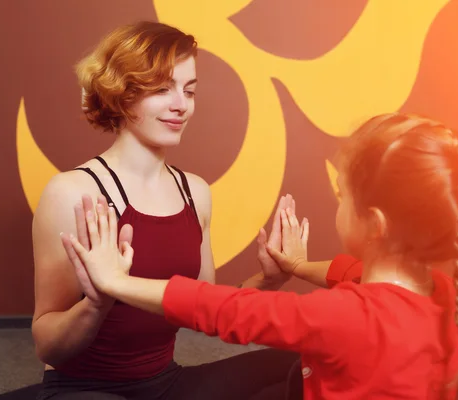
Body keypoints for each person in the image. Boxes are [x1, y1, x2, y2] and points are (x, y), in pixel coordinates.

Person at [63, 112, 458, 400]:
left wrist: (116, 281)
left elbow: (226, 309)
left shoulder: (344, 318)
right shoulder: (441, 294)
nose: (338, 205)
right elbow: (353, 274)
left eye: (343, 197)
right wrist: (298, 267)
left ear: (375, 223)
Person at [31, 20, 301, 400]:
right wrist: (97, 303)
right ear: (121, 94)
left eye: (189, 91)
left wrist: (270, 280)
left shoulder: (195, 192)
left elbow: (204, 308)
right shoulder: (72, 193)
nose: (181, 105)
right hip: (84, 389)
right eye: (161, 89)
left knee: (298, 362)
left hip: (165, 384)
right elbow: (47, 345)